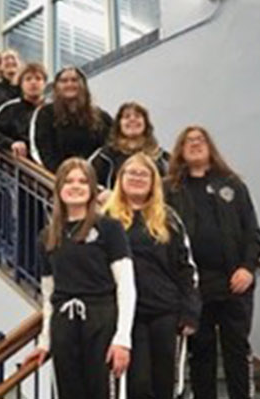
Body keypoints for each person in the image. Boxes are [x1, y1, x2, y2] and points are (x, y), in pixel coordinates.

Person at [23, 158, 136, 399]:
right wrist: (45, 341)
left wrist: (122, 338)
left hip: (102, 321)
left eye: (83, 181)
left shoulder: (109, 228)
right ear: (59, 188)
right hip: (64, 325)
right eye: (69, 181)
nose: (76, 186)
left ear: (93, 188)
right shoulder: (47, 236)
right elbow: (49, 296)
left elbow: (126, 286)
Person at [165, 126, 260, 399]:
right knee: (201, 355)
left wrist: (247, 268)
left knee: (236, 353)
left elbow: (253, 234)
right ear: (180, 150)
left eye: (200, 140)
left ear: (210, 147)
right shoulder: (169, 190)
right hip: (193, 288)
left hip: (235, 284)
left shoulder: (232, 185)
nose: (195, 144)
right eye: (189, 141)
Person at [105, 154, 198, 399]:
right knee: (137, 384)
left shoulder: (169, 219)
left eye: (143, 174)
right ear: (120, 179)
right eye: (131, 173)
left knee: (164, 385)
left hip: (165, 312)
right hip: (125, 316)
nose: (137, 178)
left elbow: (186, 268)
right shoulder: (105, 220)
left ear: (153, 181)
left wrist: (190, 311)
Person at [29, 66, 114, 167]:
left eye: (74, 80)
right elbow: (43, 151)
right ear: (56, 87)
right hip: (56, 177)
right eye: (64, 81)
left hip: (92, 177)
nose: (70, 84)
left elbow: (110, 148)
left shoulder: (102, 117)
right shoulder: (45, 114)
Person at [91, 102, 170, 192]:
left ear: (146, 124)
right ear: (119, 124)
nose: (132, 119)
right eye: (126, 117)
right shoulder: (104, 156)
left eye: (137, 116)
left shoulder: (162, 158)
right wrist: (103, 193)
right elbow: (88, 181)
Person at [0, 62, 46, 152]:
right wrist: (10, 143)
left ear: (44, 84)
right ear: (21, 84)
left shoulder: (51, 110)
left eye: (38, 79)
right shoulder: (10, 108)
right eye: (28, 79)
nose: (33, 82)